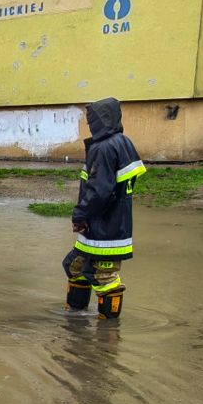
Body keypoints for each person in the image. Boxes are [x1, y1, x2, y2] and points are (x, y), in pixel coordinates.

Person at [64, 97, 145, 320]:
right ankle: (75, 319)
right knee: (74, 266)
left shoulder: (104, 148)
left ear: (102, 120)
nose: (89, 124)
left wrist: (80, 214)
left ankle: (108, 332)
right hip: (105, 225)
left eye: (91, 120)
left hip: (105, 228)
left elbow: (100, 191)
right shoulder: (122, 143)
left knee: (104, 277)